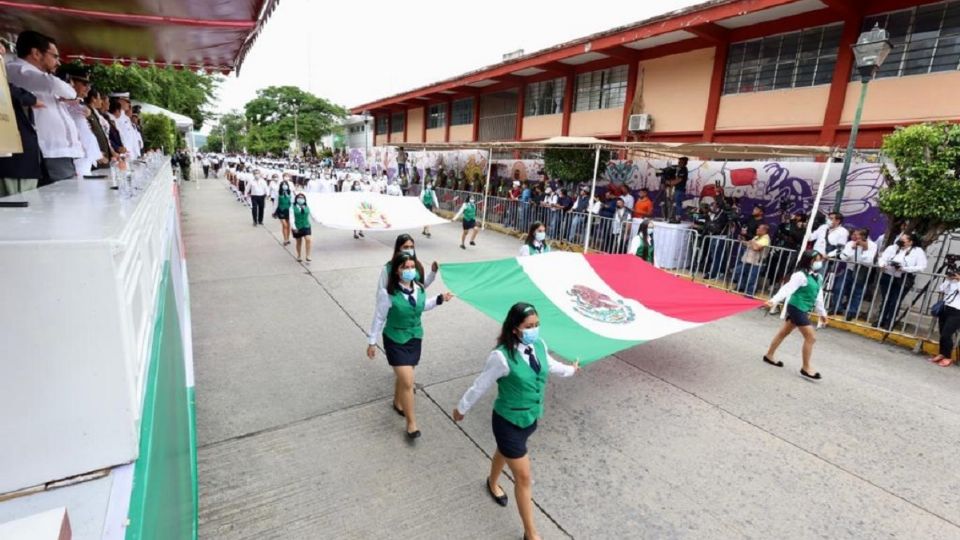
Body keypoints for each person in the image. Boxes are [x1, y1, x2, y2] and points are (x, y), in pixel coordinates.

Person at [452, 302, 578, 540]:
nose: (534, 329)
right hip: (508, 422)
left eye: (537, 325)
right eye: (529, 326)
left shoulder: (539, 345)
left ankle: (491, 482)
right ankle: (531, 534)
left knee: (504, 452)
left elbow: (550, 366)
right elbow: (480, 385)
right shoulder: (500, 356)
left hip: (530, 418)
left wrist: (571, 370)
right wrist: (461, 408)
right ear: (514, 329)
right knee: (524, 477)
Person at [367, 253, 454, 439]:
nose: (409, 271)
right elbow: (379, 317)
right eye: (404, 267)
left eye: (411, 267)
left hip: (415, 337)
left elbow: (421, 306)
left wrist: (439, 299)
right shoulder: (388, 294)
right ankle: (411, 423)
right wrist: (371, 341)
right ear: (397, 271)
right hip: (395, 339)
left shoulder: (419, 288)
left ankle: (397, 401)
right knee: (408, 381)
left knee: (405, 377)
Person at [6, 31, 83, 185]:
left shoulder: (40, 77)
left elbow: (68, 95)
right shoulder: (18, 70)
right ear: (35, 53)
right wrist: (69, 93)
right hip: (47, 151)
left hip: (59, 152)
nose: (58, 62)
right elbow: (65, 89)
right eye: (54, 56)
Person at [764, 250, 828, 380]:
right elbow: (787, 289)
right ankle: (806, 367)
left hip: (804, 309)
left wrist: (822, 313)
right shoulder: (800, 275)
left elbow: (818, 297)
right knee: (811, 337)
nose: (819, 263)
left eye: (820, 260)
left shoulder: (819, 277)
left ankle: (769, 355)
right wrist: (774, 300)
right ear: (808, 260)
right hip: (796, 307)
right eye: (816, 260)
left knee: (783, 332)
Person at [875, 233, 928, 330]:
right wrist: (882, 264)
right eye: (900, 239)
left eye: (903, 240)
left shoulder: (917, 251)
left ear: (910, 242)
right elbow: (882, 258)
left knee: (895, 301)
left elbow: (922, 267)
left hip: (903, 278)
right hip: (888, 275)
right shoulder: (893, 248)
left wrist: (905, 268)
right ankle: (880, 320)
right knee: (886, 299)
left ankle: (889, 322)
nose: (900, 242)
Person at [830, 228, 877, 320]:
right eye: (854, 234)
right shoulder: (850, 243)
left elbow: (868, 261)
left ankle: (852, 312)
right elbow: (843, 257)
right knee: (839, 287)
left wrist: (864, 249)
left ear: (863, 237)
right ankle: (836, 308)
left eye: (857, 235)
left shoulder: (872, 245)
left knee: (857, 291)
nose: (854, 236)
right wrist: (852, 249)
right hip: (849, 269)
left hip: (861, 271)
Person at [930, 270, 960, 367]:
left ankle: (948, 357)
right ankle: (942, 353)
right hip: (946, 308)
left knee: (946, 334)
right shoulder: (954, 282)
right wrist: (948, 280)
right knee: (942, 332)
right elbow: (942, 289)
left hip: (957, 311)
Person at [736, 224, 770, 296]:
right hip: (749, 260)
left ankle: (749, 294)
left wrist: (752, 241)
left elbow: (756, 248)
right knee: (740, 271)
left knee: (752, 279)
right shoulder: (757, 237)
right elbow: (748, 244)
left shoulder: (765, 239)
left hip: (757, 262)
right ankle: (741, 288)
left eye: (759, 228)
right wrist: (742, 240)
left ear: (764, 231)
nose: (757, 229)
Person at [290, 193, 313, 262]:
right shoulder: (292, 207)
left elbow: (312, 215)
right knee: (299, 241)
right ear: (296, 199)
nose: (301, 199)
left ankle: (308, 255)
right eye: (299, 198)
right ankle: (299, 255)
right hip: (297, 226)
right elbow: (291, 218)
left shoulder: (307, 206)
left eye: (302, 198)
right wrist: (294, 227)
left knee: (308, 239)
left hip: (306, 225)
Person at [273, 180, 293, 245]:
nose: (285, 186)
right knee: (284, 225)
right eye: (283, 185)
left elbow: (292, 202)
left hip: (288, 210)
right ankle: (285, 239)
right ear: (281, 186)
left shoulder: (290, 193)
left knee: (289, 225)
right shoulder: (278, 193)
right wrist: (274, 211)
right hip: (281, 210)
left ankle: (287, 239)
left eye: (286, 184)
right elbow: (275, 203)